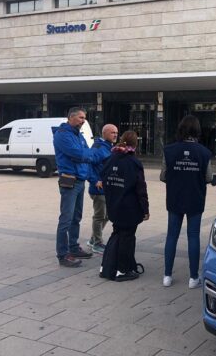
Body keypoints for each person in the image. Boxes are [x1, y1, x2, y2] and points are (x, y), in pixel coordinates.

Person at [160, 115, 213, 289]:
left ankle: (167, 276)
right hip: (195, 198)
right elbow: (208, 177)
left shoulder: (168, 150)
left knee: (172, 235)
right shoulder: (204, 153)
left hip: (175, 197)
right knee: (193, 236)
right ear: (197, 130)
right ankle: (193, 278)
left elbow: (163, 176)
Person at [53, 107, 107, 268]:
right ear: (71, 117)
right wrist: (87, 154)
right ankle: (62, 254)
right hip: (69, 181)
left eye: (84, 118)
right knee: (66, 219)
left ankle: (74, 247)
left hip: (80, 180)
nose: (83, 121)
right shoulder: (62, 135)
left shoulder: (79, 135)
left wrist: (87, 155)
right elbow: (79, 154)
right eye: (81, 118)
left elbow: (86, 154)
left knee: (76, 218)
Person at [101, 131, 149, 282]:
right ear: (135, 144)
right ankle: (122, 270)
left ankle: (106, 267)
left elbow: (104, 179)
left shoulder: (110, 159)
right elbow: (141, 189)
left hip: (113, 205)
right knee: (127, 237)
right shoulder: (134, 163)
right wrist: (145, 209)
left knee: (116, 234)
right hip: (129, 208)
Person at [86, 124, 117, 254]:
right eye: (112, 133)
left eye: (116, 132)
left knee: (108, 215)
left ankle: (93, 239)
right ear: (104, 133)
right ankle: (97, 243)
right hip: (99, 189)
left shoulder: (109, 147)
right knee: (99, 216)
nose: (115, 135)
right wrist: (95, 180)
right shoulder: (98, 148)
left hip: (107, 188)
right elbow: (88, 164)